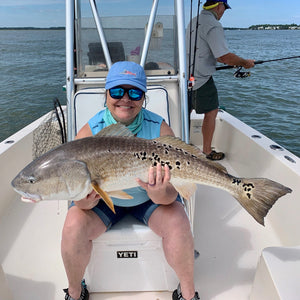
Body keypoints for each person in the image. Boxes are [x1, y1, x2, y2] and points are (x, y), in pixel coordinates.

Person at [61, 61, 199, 300]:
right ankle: (75, 293)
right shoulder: (89, 133)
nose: (125, 99)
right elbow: (77, 197)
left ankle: (188, 293)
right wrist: (84, 202)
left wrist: (159, 193)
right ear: (106, 94)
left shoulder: (158, 128)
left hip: (148, 200)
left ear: (143, 98)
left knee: (178, 221)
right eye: (117, 91)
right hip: (102, 203)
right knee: (73, 225)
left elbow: (171, 196)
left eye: (134, 92)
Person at [186, 0, 255, 160]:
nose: (224, 12)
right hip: (201, 78)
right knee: (212, 110)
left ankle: (182, 145)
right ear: (218, 6)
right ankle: (207, 151)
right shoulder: (213, 25)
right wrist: (245, 63)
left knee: (187, 110)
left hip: (187, 75)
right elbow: (223, 56)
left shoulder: (193, 20)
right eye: (224, 8)